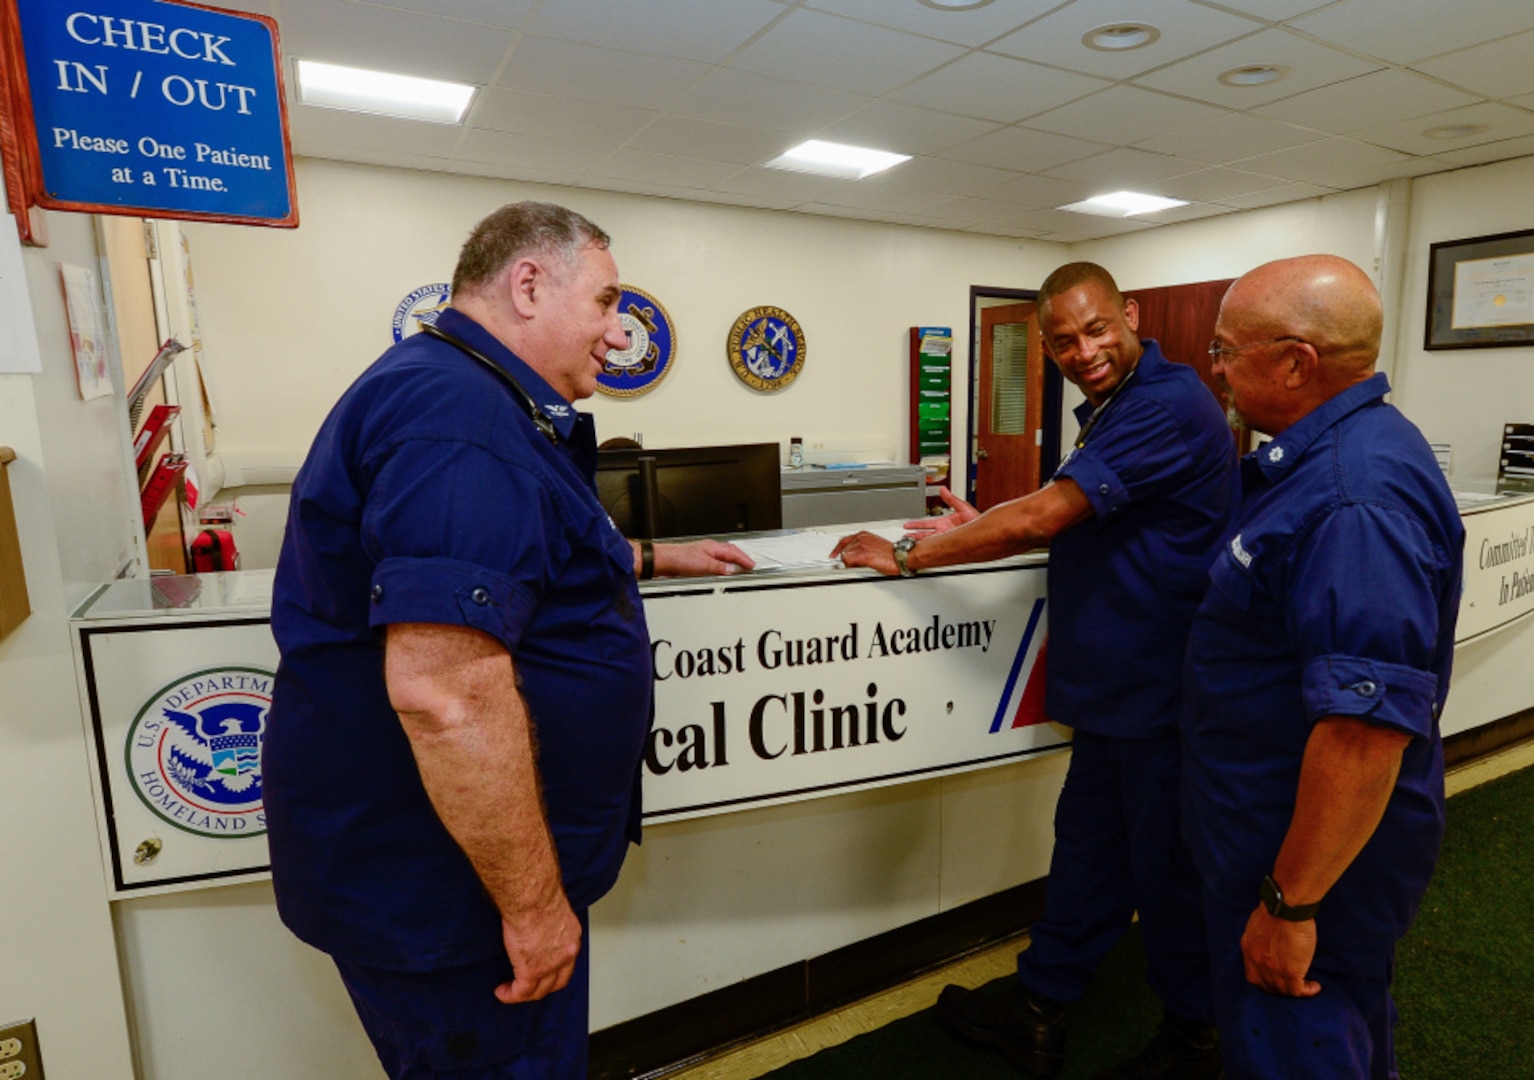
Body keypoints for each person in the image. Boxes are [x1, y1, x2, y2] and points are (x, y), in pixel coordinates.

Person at [263, 201, 752, 1079]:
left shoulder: (466, 393)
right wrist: (532, 908)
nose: (619, 331)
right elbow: (445, 694)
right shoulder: (460, 419)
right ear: (528, 284)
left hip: (451, 877)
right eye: (606, 302)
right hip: (454, 899)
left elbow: (529, 555)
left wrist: (645, 555)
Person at [834, 262, 1236, 1079]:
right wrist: (988, 522)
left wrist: (911, 555)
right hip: (1117, 693)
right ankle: (1038, 1005)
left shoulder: (1165, 402)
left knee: (1164, 871)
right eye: (1062, 341)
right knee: (1089, 850)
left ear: (1129, 315)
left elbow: (1053, 511)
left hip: (1161, 693)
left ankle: (1197, 1037)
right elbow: (1092, 516)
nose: (1082, 351)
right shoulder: (1120, 405)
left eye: (1096, 330)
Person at [1180, 255, 1464, 1079]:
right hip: (1279, 839)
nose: (1218, 369)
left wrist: (1288, 904)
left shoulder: (1352, 497)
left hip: (1301, 862)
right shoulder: (1335, 455)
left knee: (1298, 1042)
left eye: (1227, 350)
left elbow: (1363, 732)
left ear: (1296, 361)